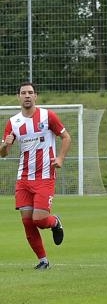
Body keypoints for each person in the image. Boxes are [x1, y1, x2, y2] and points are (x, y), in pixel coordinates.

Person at [1, 82, 71, 270]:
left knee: (39, 220)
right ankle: (43, 260)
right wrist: (5, 144)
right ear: (18, 97)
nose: (27, 96)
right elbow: (3, 153)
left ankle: (55, 222)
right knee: (27, 222)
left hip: (45, 176)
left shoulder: (48, 116)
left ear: (36, 96)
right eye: (23, 93)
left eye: (30, 93)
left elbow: (66, 137)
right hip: (23, 178)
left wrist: (61, 158)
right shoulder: (13, 122)